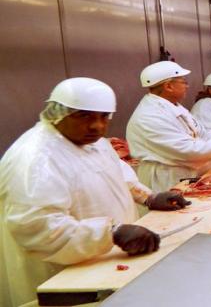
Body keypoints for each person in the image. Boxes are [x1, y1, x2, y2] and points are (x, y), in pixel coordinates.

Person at [0, 78, 190, 307]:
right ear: (58, 114)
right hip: (61, 275)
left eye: (104, 117)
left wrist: (147, 197)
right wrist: (110, 233)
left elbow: (118, 174)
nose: (97, 126)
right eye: (84, 116)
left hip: (106, 261)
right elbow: (38, 228)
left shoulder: (92, 141)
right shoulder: (35, 158)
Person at [127, 61, 211, 193]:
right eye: (183, 82)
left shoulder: (175, 107)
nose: (187, 86)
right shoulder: (151, 116)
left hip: (188, 173)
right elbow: (189, 151)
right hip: (166, 180)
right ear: (168, 86)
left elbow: (202, 134)